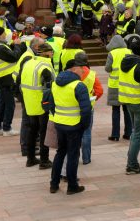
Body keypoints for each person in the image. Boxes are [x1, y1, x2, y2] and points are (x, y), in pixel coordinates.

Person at [45, 58, 93, 195]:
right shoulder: (79, 85)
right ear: (73, 69)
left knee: (60, 152)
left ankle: (54, 184)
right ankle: (72, 186)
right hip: (74, 126)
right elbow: (86, 110)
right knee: (72, 155)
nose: (83, 71)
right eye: (81, 68)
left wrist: (58, 117)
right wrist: (84, 126)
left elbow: (52, 105)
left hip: (60, 123)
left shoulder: (56, 83)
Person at [18, 39, 53, 169]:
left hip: (29, 102)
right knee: (44, 132)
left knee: (32, 130)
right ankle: (44, 160)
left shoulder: (28, 63)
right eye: (51, 52)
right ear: (45, 53)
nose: (52, 54)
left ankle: (30, 158)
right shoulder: (45, 67)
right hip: (42, 104)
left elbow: (18, 80)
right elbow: (49, 88)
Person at [121, 40, 140, 175]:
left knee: (135, 132)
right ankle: (132, 164)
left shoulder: (125, 62)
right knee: (138, 134)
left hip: (128, 101)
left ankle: (131, 161)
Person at [73, 52, 102, 165]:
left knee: (74, 133)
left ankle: (75, 156)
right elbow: (99, 91)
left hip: (73, 106)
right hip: (87, 107)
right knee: (87, 132)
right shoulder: (92, 74)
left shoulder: (71, 72)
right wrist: (92, 100)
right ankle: (86, 158)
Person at [105, 34, 132, 141]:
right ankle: (128, 133)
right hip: (126, 84)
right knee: (127, 110)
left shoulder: (112, 53)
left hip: (114, 85)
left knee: (115, 110)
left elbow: (108, 68)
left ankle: (115, 134)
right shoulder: (129, 52)